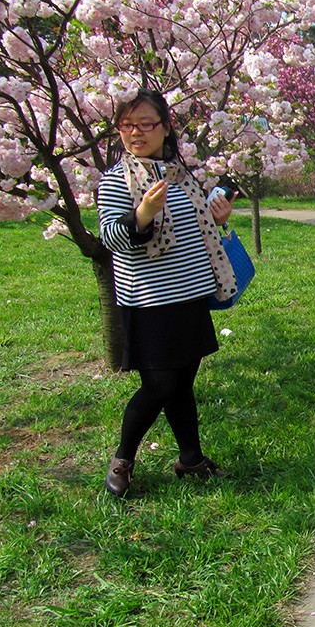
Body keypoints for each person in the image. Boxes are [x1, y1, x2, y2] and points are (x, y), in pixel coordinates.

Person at [97, 88, 237, 496]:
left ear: (164, 127)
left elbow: (197, 228)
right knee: (158, 385)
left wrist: (218, 216)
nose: (135, 132)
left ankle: (190, 458)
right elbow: (110, 238)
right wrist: (141, 215)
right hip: (149, 301)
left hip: (189, 295)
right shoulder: (115, 180)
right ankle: (123, 458)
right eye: (127, 124)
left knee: (182, 382)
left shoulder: (179, 175)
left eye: (145, 124)